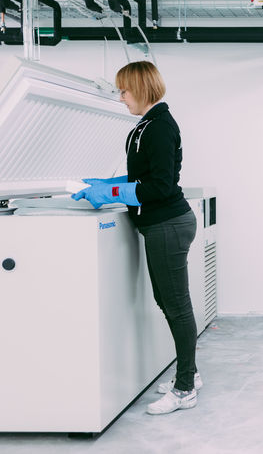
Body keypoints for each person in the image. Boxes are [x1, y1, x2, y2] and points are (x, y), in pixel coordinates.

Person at [72, 61, 202, 414]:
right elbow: (141, 176)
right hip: (161, 225)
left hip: (168, 226)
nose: (121, 97)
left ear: (141, 89)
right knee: (167, 301)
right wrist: (109, 186)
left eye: (124, 90)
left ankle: (186, 387)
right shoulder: (146, 125)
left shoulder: (159, 127)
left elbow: (160, 186)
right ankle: (189, 372)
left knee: (176, 307)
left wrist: (113, 192)